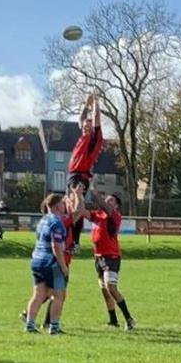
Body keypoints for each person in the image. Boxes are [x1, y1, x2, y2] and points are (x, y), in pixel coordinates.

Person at [87, 182, 135, 331]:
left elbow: (103, 205)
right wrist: (76, 194)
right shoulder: (97, 215)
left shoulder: (115, 216)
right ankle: (113, 320)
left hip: (111, 257)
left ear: (116, 206)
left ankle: (129, 318)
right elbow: (82, 212)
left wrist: (94, 192)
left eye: (111, 200)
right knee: (104, 290)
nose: (108, 201)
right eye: (107, 199)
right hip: (98, 257)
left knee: (111, 287)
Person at [23, 194, 69, 334]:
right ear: (56, 206)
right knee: (59, 295)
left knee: (38, 295)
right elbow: (56, 246)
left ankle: (30, 325)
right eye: (62, 203)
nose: (64, 205)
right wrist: (63, 266)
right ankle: (53, 327)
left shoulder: (42, 220)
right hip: (50, 262)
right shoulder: (56, 222)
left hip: (36, 260)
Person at [68, 94, 103, 253]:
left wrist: (95, 103)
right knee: (70, 207)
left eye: (88, 126)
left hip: (81, 176)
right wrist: (85, 104)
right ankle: (70, 238)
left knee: (78, 206)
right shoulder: (82, 137)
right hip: (72, 175)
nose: (85, 127)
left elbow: (95, 119)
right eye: (84, 126)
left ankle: (75, 242)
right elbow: (81, 118)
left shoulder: (94, 139)